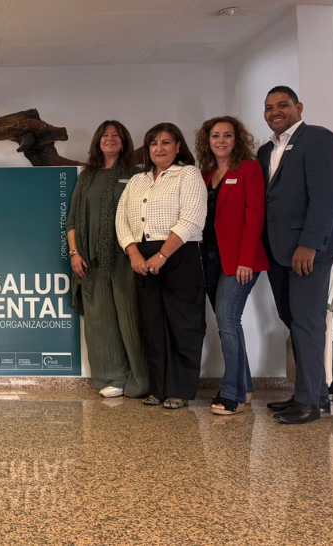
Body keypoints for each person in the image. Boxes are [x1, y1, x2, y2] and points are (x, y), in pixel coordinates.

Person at [258, 86, 333, 424]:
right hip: (278, 251)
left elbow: (326, 197)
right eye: (269, 107)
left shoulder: (320, 139)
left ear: (298, 107)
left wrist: (310, 244)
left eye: (282, 105)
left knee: (308, 323)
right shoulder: (267, 150)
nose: (275, 111)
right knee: (294, 321)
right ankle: (312, 394)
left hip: (308, 250)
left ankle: (309, 402)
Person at [116, 122, 206, 410]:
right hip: (142, 259)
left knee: (183, 325)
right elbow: (122, 221)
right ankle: (158, 389)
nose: (159, 148)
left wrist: (163, 255)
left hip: (179, 253)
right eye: (154, 143)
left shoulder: (188, 174)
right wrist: (134, 255)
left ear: (178, 147)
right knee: (152, 327)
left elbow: (192, 218)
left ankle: (179, 390)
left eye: (166, 142)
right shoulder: (137, 180)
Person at [65, 120, 148, 399]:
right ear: (97, 142)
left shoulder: (136, 175)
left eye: (115, 135)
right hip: (91, 260)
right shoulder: (86, 177)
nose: (110, 139)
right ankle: (110, 377)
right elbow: (72, 220)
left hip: (126, 258)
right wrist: (75, 253)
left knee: (129, 316)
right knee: (100, 320)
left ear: (124, 141)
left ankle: (139, 378)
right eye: (105, 135)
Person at [194, 116, 270, 415]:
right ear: (208, 141)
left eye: (227, 135)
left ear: (237, 140)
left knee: (227, 321)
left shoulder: (248, 169)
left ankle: (232, 393)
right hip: (210, 258)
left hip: (239, 261)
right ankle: (246, 386)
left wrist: (246, 260)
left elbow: (256, 216)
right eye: (215, 136)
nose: (221, 140)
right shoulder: (204, 174)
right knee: (228, 323)